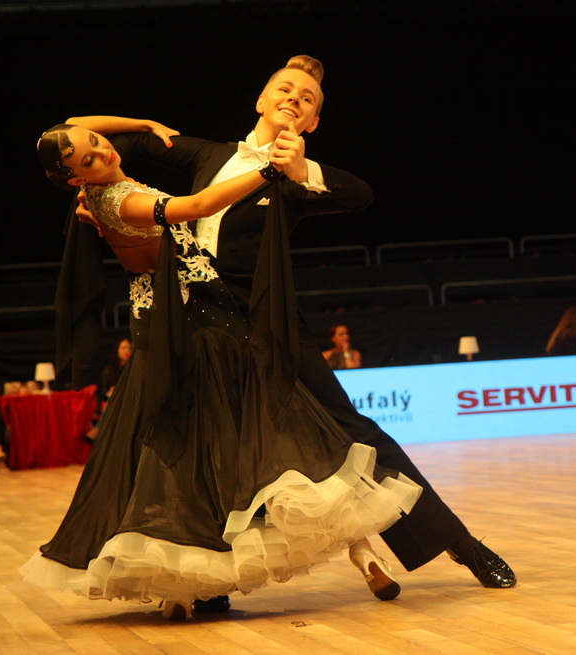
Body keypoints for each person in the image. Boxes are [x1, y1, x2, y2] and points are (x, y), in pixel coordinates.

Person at [71, 55, 516, 606]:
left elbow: (361, 194)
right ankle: (209, 582)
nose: (294, 99)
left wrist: (303, 171)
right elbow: (72, 131)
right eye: (284, 89)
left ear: (312, 123)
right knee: (201, 448)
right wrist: (141, 125)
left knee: (357, 433)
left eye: (307, 99)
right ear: (261, 100)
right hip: (194, 325)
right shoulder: (207, 154)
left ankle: (460, 544)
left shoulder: (293, 178)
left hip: (266, 325)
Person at [21, 120, 422, 620]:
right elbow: (198, 206)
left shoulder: (101, 190)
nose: (104, 152)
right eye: (88, 160)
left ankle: (189, 585)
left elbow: (79, 123)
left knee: (220, 451)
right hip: (197, 333)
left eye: (99, 145)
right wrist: (268, 173)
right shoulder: (118, 201)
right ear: (76, 179)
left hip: (195, 324)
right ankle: (355, 553)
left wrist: (142, 125)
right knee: (263, 440)